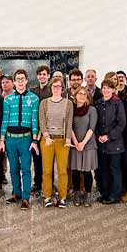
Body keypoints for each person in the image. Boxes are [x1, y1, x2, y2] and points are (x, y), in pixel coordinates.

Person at [0, 69, 39, 210]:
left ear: (26, 80)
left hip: (26, 139)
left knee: (26, 169)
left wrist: (34, 141)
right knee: (13, 169)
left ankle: (26, 198)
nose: (20, 81)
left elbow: (34, 120)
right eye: (18, 79)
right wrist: (2, 141)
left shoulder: (34, 98)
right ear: (14, 82)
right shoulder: (8, 99)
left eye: (22, 79)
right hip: (10, 139)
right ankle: (16, 193)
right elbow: (5, 120)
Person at [39, 76, 73, 208]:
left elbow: (69, 123)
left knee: (62, 171)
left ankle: (62, 197)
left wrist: (68, 139)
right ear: (51, 88)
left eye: (59, 86)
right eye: (54, 86)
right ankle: (47, 196)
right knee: (47, 170)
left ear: (62, 88)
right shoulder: (44, 103)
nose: (56, 89)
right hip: (47, 140)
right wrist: (46, 136)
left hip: (62, 140)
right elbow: (42, 121)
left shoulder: (68, 103)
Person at [95, 79, 126, 204]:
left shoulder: (118, 103)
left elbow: (121, 123)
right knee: (103, 170)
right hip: (101, 143)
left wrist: (108, 136)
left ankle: (115, 196)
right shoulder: (98, 103)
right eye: (104, 87)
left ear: (113, 90)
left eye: (109, 88)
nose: (106, 90)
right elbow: (95, 122)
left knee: (115, 170)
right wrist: (98, 135)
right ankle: (105, 194)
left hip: (114, 143)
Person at [69, 86, 98, 207]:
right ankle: (76, 193)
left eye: (84, 94)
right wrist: (76, 143)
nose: (81, 96)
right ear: (75, 96)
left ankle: (88, 194)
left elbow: (92, 128)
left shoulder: (92, 110)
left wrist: (83, 143)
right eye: (79, 94)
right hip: (74, 144)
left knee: (86, 171)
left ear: (87, 97)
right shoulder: (71, 109)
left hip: (88, 144)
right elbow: (69, 127)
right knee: (75, 170)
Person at [30, 65, 52, 193]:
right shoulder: (32, 91)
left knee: (49, 159)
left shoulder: (52, 90)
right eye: (39, 74)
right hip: (35, 129)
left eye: (44, 74)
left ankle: (49, 184)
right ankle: (37, 183)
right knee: (37, 157)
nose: (42, 76)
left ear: (48, 75)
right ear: (37, 76)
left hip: (49, 129)